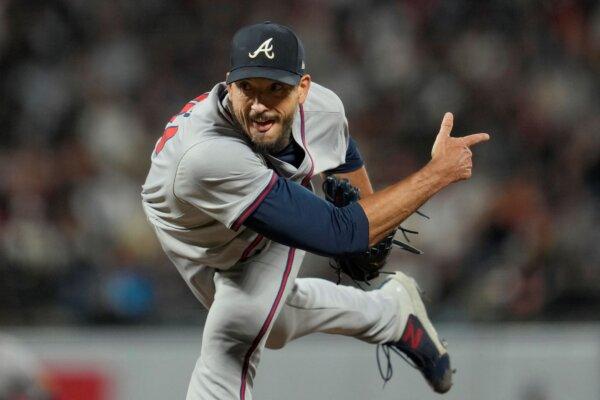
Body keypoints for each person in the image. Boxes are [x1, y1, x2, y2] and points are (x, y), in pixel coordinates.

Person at [141, 21, 489, 400]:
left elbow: (346, 163)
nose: (260, 104)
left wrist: (371, 231)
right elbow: (339, 234)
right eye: (247, 88)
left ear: (303, 89)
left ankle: (389, 313)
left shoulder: (322, 109)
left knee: (234, 332)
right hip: (189, 235)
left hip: (260, 223)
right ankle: (390, 313)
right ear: (228, 85)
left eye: (276, 88)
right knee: (275, 324)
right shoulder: (208, 154)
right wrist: (435, 175)